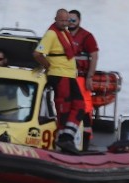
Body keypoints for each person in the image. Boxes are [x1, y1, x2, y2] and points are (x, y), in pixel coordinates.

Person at [33, 9, 86, 154]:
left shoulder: (65, 32)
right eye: (61, 20)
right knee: (64, 107)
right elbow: (37, 54)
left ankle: (66, 136)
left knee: (80, 106)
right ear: (55, 19)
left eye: (66, 20)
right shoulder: (51, 34)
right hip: (59, 74)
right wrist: (48, 65)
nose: (64, 23)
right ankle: (64, 139)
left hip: (69, 75)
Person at [68, 10, 99, 150]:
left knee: (84, 107)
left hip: (81, 77)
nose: (70, 23)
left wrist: (89, 77)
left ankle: (86, 138)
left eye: (73, 20)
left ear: (79, 21)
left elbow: (94, 56)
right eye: (68, 20)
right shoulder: (63, 35)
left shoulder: (87, 37)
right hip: (66, 76)